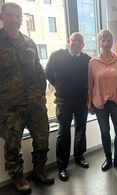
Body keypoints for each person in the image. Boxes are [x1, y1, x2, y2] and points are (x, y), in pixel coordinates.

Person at [0, 2, 54, 193]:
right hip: (10, 106)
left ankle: (39, 170)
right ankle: (18, 177)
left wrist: (41, 94)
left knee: (42, 139)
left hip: (35, 102)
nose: (15, 19)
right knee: (12, 145)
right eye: (11, 15)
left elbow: (39, 70)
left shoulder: (29, 43)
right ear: (2, 17)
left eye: (18, 16)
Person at [45, 32, 91, 181]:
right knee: (63, 132)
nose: (76, 43)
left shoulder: (87, 60)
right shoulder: (57, 56)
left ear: (83, 45)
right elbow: (48, 73)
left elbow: (91, 79)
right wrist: (60, 87)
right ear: (68, 42)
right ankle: (62, 166)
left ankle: (79, 156)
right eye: (73, 40)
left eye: (80, 41)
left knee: (81, 128)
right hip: (63, 101)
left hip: (81, 100)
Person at [88, 29, 117, 172]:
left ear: (112, 41)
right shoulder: (93, 63)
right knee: (105, 132)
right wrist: (90, 103)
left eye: (109, 40)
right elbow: (90, 84)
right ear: (99, 42)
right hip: (100, 103)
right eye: (103, 40)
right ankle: (108, 158)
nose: (106, 43)